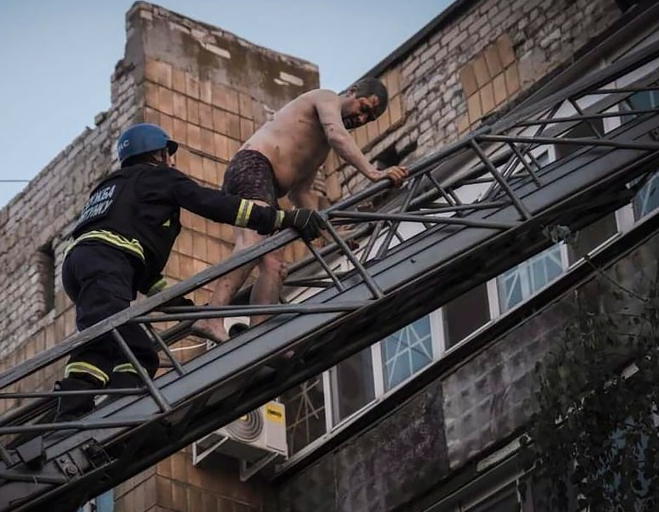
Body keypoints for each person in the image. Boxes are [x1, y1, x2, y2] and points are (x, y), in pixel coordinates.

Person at [55, 123, 325, 420]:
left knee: (103, 340)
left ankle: (81, 409)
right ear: (158, 154)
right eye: (169, 154)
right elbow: (214, 205)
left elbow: (143, 273)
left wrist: (182, 306)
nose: (172, 161)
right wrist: (280, 218)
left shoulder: (114, 188)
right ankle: (114, 415)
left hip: (81, 266)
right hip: (107, 263)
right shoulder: (159, 177)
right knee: (137, 351)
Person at [192, 77, 409, 343]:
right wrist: (374, 173)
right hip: (254, 167)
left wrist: (332, 236)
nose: (362, 119)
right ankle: (211, 318)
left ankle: (259, 336)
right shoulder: (326, 98)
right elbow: (337, 134)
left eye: (370, 118)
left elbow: (299, 193)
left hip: (266, 187)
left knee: (276, 266)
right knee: (252, 244)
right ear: (352, 91)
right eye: (363, 108)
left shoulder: (320, 148)